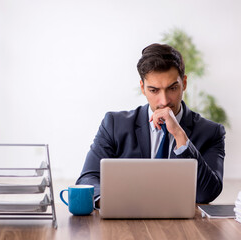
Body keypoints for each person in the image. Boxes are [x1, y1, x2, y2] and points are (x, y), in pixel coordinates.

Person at [76, 43, 226, 207]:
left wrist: (180, 136)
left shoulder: (211, 132)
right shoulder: (114, 124)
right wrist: (111, 203)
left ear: (184, 83)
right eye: (154, 90)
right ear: (143, 88)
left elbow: (207, 193)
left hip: (183, 227)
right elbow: (88, 178)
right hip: (127, 220)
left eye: (172, 88)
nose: (164, 101)